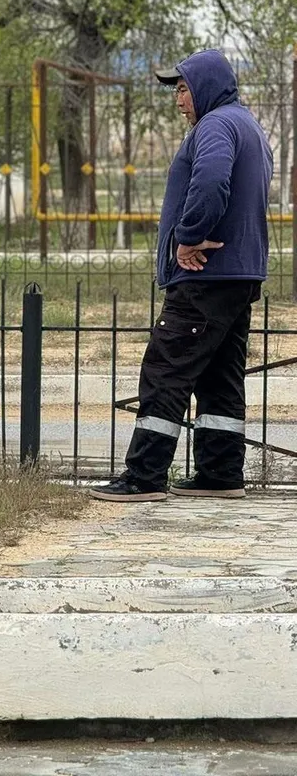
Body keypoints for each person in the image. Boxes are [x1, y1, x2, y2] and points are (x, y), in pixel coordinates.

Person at [92, 50, 272, 502]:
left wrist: (188, 236)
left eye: (184, 88)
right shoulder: (247, 124)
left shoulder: (215, 126)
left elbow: (211, 183)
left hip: (206, 275)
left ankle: (144, 476)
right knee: (219, 376)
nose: (178, 99)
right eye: (176, 89)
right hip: (238, 274)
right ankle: (220, 472)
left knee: (165, 368)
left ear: (208, 86)